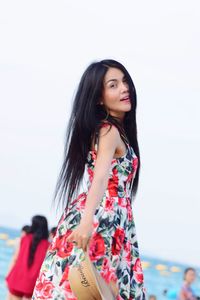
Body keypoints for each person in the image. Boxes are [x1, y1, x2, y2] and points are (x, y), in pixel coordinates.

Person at [32, 59, 146, 299]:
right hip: (101, 216)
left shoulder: (116, 132)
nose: (124, 88)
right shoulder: (108, 131)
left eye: (124, 81)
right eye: (113, 85)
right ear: (99, 98)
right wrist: (86, 223)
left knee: (94, 291)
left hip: (112, 219)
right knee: (85, 290)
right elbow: (101, 177)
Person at [6, 215, 49, 299]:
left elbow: (15, 259)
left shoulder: (24, 239)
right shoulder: (48, 245)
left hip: (17, 279)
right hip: (32, 284)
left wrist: (8, 276)